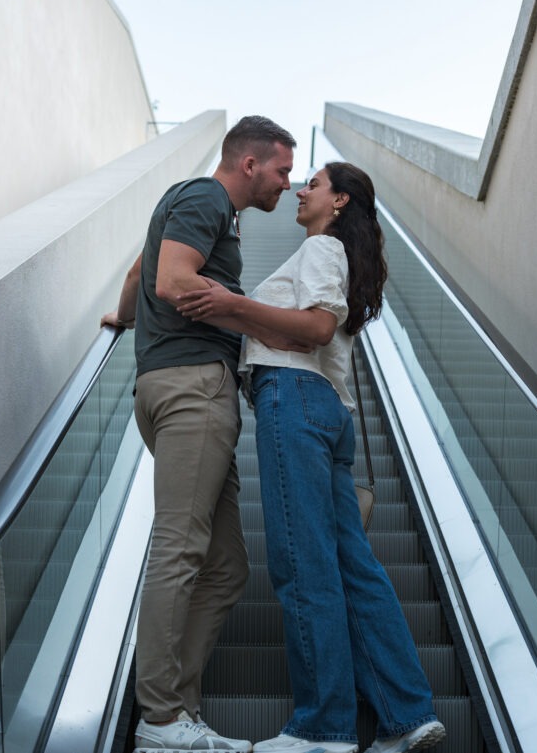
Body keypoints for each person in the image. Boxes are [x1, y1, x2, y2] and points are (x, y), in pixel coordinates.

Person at [176, 162, 446, 753]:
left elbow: (317, 328)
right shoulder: (337, 257)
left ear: (340, 201)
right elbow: (308, 329)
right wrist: (240, 312)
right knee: (354, 567)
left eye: (315, 184)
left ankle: (324, 729)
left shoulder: (322, 249)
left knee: (304, 563)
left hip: (294, 402)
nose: (301, 190)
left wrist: (234, 303)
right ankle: (406, 714)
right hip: (326, 410)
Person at [100, 115, 298, 752]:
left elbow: (139, 277)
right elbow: (171, 281)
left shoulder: (201, 209)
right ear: (249, 164)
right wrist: (257, 322)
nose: (289, 184)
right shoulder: (206, 197)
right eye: (282, 171)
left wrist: (122, 319)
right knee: (181, 548)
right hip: (192, 390)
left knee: (226, 565)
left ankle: (178, 710)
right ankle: (159, 719)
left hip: (176, 385)